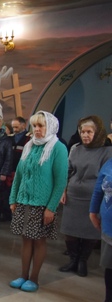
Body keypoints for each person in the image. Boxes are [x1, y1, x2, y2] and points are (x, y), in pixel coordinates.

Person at [9, 111, 68, 292]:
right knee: (26, 240)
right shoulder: (29, 145)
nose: (37, 129)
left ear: (50, 127)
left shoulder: (57, 148)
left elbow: (60, 181)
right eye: (34, 126)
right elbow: (19, 175)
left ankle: (34, 279)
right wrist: (13, 198)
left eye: (41, 126)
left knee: (39, 241)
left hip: (42, 204)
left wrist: (51, 208)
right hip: (23, 200)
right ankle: (23, 275)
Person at [59, 115, 112, 276]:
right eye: (82, 132)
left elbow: (105, 177)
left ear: (97, 133)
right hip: (73, 195)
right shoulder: (76, 148)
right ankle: (73, 260)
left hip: (92, 197)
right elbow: (67, 170)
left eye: (89, 132)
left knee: (89, 232)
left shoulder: (107, 151)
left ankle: (83, 261)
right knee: (70, 230)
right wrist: (63, 189)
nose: (85, 135)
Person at [89, 157, 112, 302]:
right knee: (110, 268)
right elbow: (98, 190)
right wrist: (93, 211)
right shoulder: (109, 163)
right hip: (109, 226)